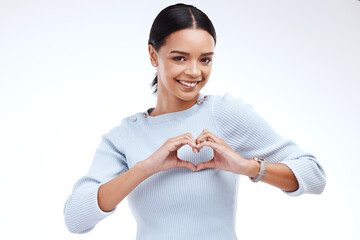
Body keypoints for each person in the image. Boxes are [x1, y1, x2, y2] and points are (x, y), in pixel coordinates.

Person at [64, 3, 326, 239]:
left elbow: (313, 175)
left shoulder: (224, 113)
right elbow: (76, 218)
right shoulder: (125, 136)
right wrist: (146, 168)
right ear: (153, 55)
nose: (194, 71)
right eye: (180, 57)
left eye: (205, 60)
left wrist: (248, 167)